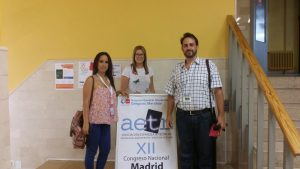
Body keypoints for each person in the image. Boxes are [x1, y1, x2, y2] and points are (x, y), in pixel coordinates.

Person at [165, 32, 225, 169]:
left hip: (204, 117)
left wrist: (221, 115)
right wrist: (168, 114)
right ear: (182, 48)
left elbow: (218, 91)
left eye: (191, 45)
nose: (188, 47)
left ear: (197, 46)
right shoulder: (176, 69)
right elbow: (170, 95)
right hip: (183, 117)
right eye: (185, 45)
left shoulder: (209, 66)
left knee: (205, 154)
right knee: (185, 154)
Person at [82, 52, 118, 169]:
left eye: (106, 62)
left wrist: (118, 93)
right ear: (96, 63)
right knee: (92, 151)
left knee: (105, 150)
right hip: (94, 122)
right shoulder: (91, 80)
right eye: (101, 61)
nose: (104, 64)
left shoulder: (109, 80)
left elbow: (107, 97)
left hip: (106, 122)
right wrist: (86, 123)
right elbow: (85, 103)